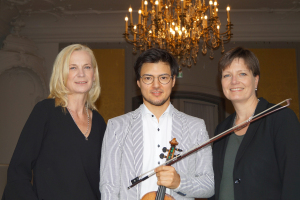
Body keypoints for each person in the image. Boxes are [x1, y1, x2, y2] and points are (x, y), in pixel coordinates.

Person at [100, 48, 214, 200]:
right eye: (148, 78)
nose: (156, 85)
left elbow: (209, 185)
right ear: (138, 83)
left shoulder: (196, 127)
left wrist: (180, 183)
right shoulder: (117, 127)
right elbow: (109, 187)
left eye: (163, 78)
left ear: (173, 81)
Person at [2, 44, 106, 200]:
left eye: (87, 67)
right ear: (61, 74)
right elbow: (17, 171)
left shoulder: (98, 122)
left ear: (94, 75)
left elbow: (106, 177)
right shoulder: (45, 111)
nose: (81, 74)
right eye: (72, 68)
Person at [210, 47, 300, 200]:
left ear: (256, 79)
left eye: (242, 74)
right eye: (227, 75)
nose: (234, 81)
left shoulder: (281, 118)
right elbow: (217, 185)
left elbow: (294, 182)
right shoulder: (221, 129)